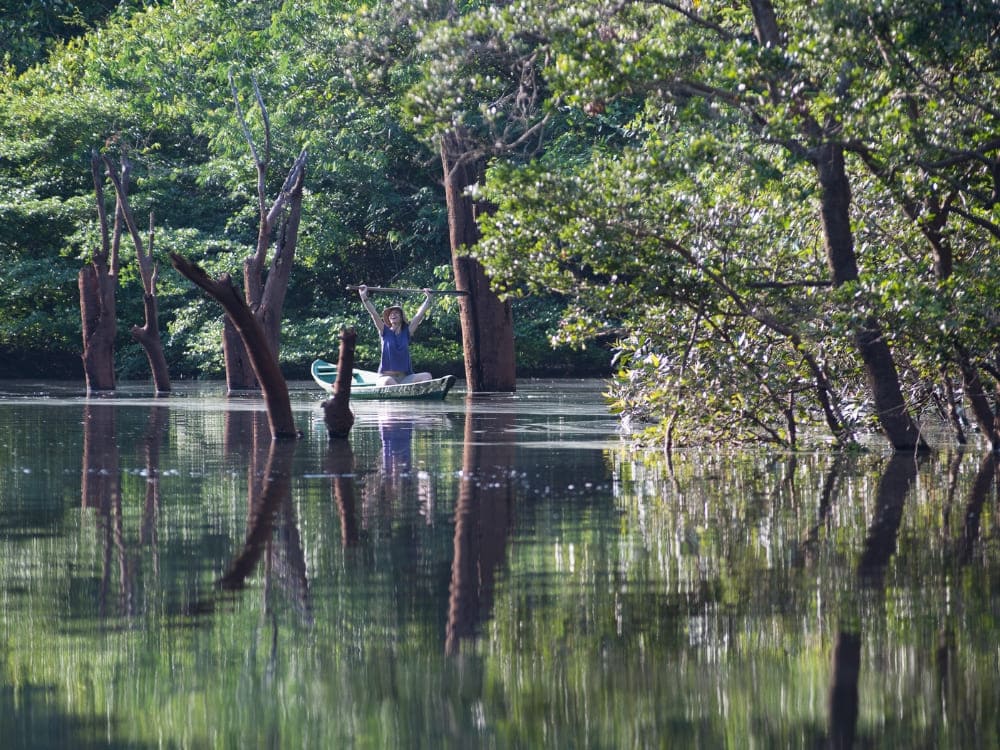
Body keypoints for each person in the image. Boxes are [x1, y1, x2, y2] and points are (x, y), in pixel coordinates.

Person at [358, 284, 434, 386]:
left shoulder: (407, 332)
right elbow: (374, 314)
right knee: (388, 381)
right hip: (385, 378)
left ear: (401, 317)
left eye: (396, 313)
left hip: (404, 378)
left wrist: (428, 299)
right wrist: (364, 297)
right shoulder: (384, 331)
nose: (393, 315)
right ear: (388, 318)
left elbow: (418, 316)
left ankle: (408, 392)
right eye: (391, 314)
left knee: (427, 376)